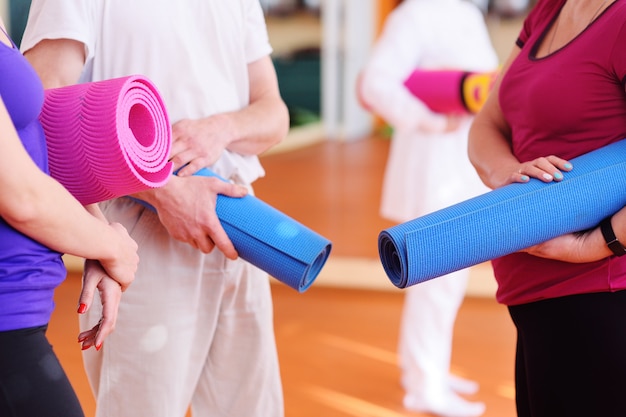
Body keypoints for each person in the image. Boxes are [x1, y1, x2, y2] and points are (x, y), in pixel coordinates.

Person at [21, 2, 290, 417]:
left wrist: (222, 128)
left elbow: (274, 113)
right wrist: (166, 191)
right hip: (138, 224)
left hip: (238, 219)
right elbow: (42, 106)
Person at [468, 0, 626, 415]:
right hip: (535, 298)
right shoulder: (548, 10)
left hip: (600, 296)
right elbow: (487, 123)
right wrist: (510, 176)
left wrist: (593, 244)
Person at [358, 1, 499, 416]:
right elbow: (375, 83)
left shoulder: (468, 14)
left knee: (447, 284)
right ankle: (424, 386)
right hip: (433, 169)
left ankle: (430, 371)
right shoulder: (413, 15)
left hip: (461, 167)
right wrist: (430, 121)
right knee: (435, 283)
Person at [0, 17, 139, 417]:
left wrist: (91, 230)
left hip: (18, 313)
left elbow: (30, 155)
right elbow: (19, 194)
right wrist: (112, 245)